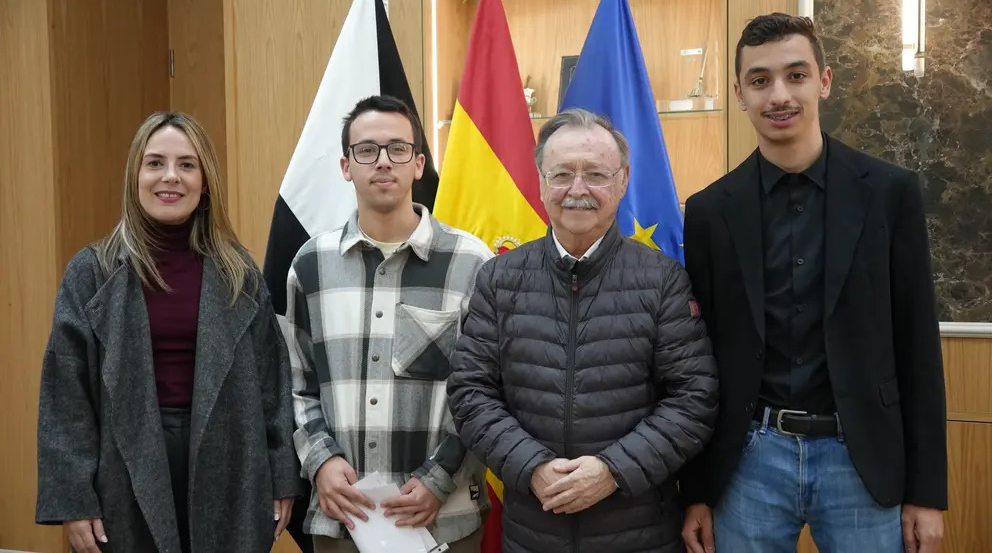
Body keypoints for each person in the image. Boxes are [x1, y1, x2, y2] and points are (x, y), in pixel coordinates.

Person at [679, 13, 947, 553]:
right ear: (740, 94)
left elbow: (918, 344)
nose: (779, 95)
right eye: (760, 80)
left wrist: (927, 493)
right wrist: (698, 491)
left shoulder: (891, 193)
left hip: (862, 458)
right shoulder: (708, 211)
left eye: (795, 75)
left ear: (823, 81)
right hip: (749, 461)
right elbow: (699, 362)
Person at [447, 108, 720, 553]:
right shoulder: (499, 279)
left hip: (639, 533)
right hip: (533, 533)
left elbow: (694, 398)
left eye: (596, 174)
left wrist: (612, 470)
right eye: (561, 174)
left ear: (623, 181)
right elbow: (470, 392)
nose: (578, 189)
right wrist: (531, 466)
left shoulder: (663, 280)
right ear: (541, 182)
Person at [35, 111, 301, 553]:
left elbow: (273, 385)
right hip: (124, 467)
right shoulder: (91, 272)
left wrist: (281, 477)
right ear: (135, 177)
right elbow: (66, 398)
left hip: (230, 465)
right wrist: (73, 498)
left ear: (205, 182)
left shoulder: (238, 272)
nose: (170, 177)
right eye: (155, 163)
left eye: (187, 165)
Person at [285, 94, 493, 553]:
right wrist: (320, 461)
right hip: (345, 520)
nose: (383, 161)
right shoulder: (311, 265)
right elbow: (297, 384)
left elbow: (487, 389)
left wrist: (440, 477)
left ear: (418, 164)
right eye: (367, 150)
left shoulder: (472, 263)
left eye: (398, 149)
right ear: (346, 166)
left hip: (445, 518)